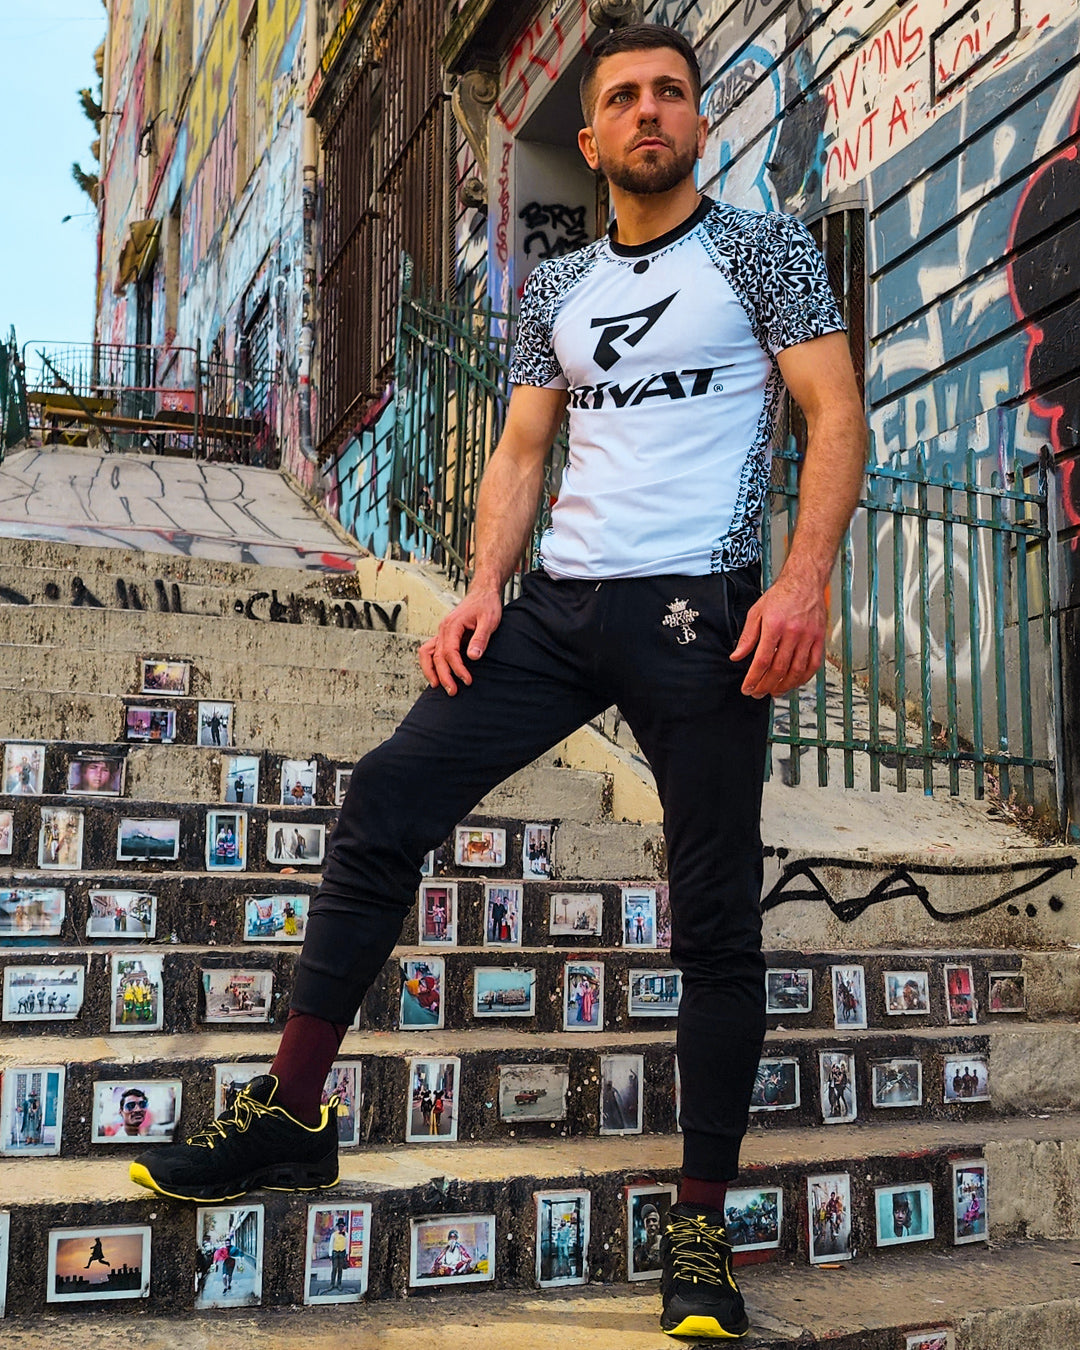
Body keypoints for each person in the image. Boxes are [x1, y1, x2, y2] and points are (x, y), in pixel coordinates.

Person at [129, 22, 866, 1340]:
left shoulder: (762, 250)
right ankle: (292, 1116)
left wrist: (802, 581)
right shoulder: (556, 287)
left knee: (713, 914)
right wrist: (479, 589)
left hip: (703, 606)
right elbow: (524, 450)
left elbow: (835, 413)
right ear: (586, 139)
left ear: (698, 121)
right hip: (557, 611)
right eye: (623, 97)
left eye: (669, 95)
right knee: (389, 797)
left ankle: (699, 1222)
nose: (649, 112)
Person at [329, 1216, 349, 1290]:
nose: (341, 1227)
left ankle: (339, 1284)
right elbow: (331, 1244)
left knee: (340, 1269)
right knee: (334, 1269)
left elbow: (347, 1244)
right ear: (338, 1227)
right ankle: (332, 1284)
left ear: (343, 1227)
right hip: (335, 1252)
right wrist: (330, 1254)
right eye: (339, 1226)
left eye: (342, 1226)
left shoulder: (346, 1234)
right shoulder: (334, 1235)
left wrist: (347, 1254)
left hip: (342, 1253)